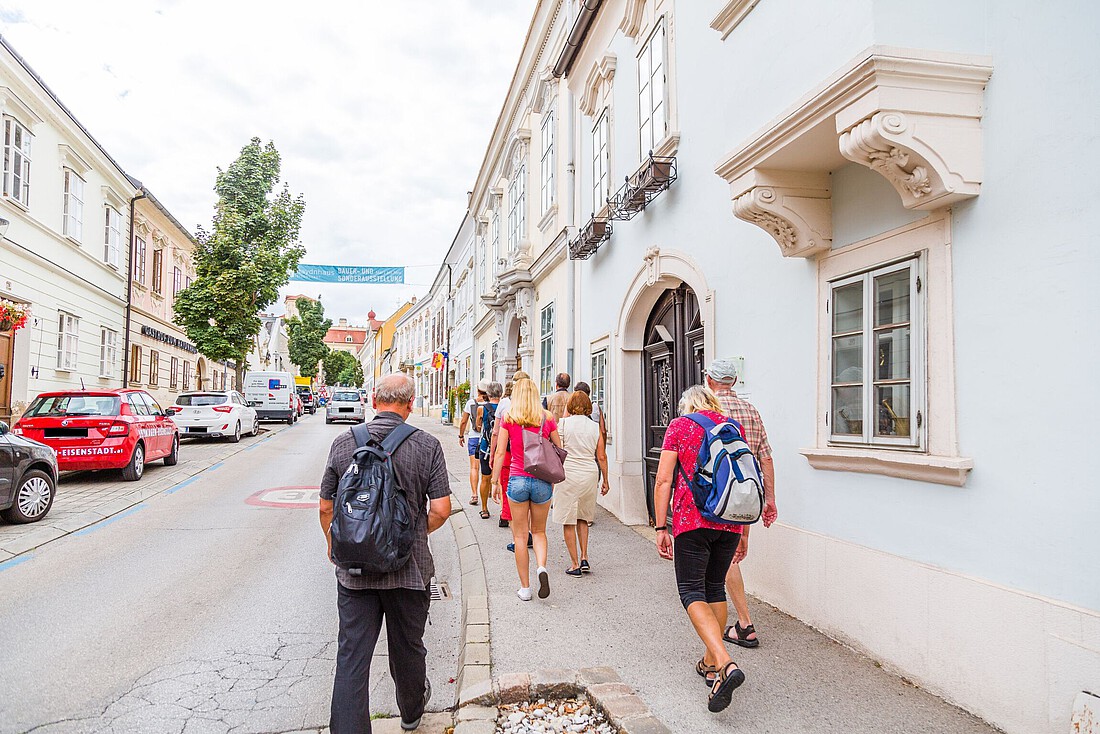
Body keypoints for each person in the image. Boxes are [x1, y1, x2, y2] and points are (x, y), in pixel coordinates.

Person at [318, 373, 452, 733]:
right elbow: (440, 509)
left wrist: (334, 546)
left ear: (374, 400)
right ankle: (410, 713)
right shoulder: (427, 446)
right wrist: (408, 536)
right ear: (410, 404)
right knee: (408, 647)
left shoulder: (344, 444)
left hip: (354, 570)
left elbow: (326, 507)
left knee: (352, 657)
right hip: (408, 572)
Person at [653, 384, 746, 713]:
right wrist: (743, 532)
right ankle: (710, 663)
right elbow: (746, 479)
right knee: (714, 588)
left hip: (693, 520)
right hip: (731, 520)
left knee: (691, 591)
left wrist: (660, 526)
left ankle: (724, 662)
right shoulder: (733, 427)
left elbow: (664, 479)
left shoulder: (680, 426)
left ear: (686, 406)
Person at [702, 358, 778, 649]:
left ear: (709, 380)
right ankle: (731, 619)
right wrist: (769, 499)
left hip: (719, 493)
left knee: (725, 555)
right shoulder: (751, 410)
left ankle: (744, 624)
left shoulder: (708, 410)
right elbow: (766, 456)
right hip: (748, 493)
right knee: (731, 550)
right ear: (734, 382)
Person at [492, 377, 562, 600]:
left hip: (517, 480)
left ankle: (525, 588)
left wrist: (495, 482)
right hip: (541, 480)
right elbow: (559, 449)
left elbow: (501, 452)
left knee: (520, 536)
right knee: (539, 531)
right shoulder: (547, 418)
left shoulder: (509, 417)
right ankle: (541, 567)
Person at [554, 390, 609, 576]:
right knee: (583, 518)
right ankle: (585, 557)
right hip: (589, 473)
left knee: (568, 520)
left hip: (568, 473)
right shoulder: (594, 427)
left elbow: (558, 450)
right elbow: (601, 455)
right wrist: (606, 479)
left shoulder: (563, 424)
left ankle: (575, 564)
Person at [474, 382, 502, 519]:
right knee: (503, 480)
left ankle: (484, 509)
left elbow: (478, 427)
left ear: (488, 394)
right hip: (502, 448)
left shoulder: (482, 409)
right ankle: (504, 511)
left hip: (486, 448)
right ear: (501, 394)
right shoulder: (506, 408)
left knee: (485, 478)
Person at [458, 383, 489, 506]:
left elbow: (463, 421)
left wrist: (461, 436)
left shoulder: (471, 403)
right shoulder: (490, 404)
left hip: (474, 437)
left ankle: (474, 494)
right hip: (487, 439)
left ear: (478, 390)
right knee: (487, 467)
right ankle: (488, 491)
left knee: (474, 467)